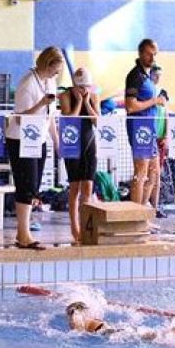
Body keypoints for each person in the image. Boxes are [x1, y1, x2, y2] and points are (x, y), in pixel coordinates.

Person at [6, 46, 64, 250]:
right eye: (55, 70)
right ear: (46, 64)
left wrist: (56, 142)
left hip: (38, 139)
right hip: (20, 140)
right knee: (25, 185)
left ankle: (23, 232)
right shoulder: (27, 83)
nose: (56, 74)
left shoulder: (50, 82)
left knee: (33, 188)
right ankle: (23, 234)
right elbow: (20, 119)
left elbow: (50, 116)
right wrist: (40, 103)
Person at [59, 66, 99, 245]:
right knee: (75, 187)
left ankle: (85, 226)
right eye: (81, 87)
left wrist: (87, 103)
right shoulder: (65, 96)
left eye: (87, 87)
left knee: (88, 187)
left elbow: (97, 121)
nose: (84, 90)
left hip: (89, 144)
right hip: (71, 144)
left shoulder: (94, 96)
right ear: (74, 85)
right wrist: (78, 103)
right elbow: (70, 121)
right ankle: (74, 227)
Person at [124, 39, 167, 206]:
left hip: (150, 129)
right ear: (140, 53)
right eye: (149, 54)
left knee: (154, 173)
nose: (152, 58)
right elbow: (130, 106)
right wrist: (155, 101)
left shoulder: (147, 75)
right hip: (139, 129)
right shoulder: (135, 76)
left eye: (155, 54)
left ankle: (143, 212)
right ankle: (135, 215)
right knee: (140, 175)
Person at [149, 63, 169, 218]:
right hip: (149, 137)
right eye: (155, 75)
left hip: (160, 138)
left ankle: (155, 207)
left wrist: (166, 135)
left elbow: (166, 114)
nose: (158, 78)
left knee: (158, 174)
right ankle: (145, 206)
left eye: (160, 76)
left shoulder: (162, 93)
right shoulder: (147, 93)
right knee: (149, 174)